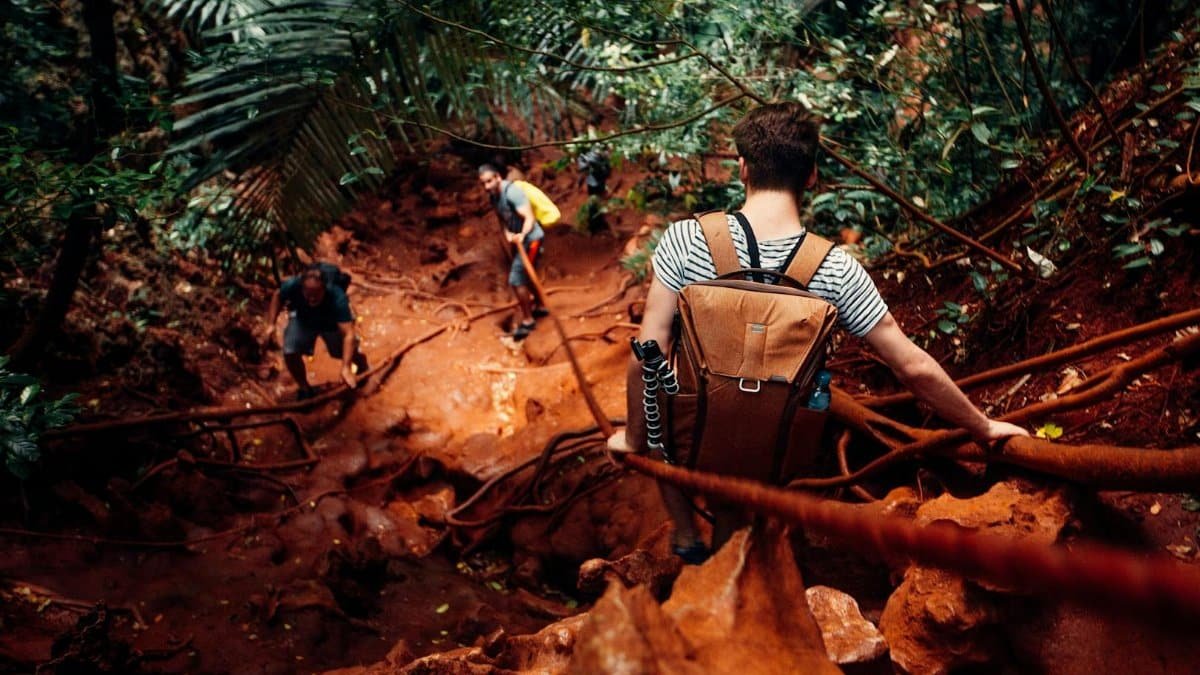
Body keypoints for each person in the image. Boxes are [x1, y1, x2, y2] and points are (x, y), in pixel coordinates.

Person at [608, 102, 1029, 562]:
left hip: (692, 441)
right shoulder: (835, 269)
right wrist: (982, 427)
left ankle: (687, 536)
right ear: (811, 176)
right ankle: (744, 551)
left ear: (743, 168)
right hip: (782, 455)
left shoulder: (685, 241)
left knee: (658, 405)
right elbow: (912, 366)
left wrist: (633, 441)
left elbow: (645, 354)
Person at [263, 263, 368, 400]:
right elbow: (278, 295)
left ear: (324, 289)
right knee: (290, 350)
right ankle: (304, 388)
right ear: (302, 288)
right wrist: (271, 324)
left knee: (340, 352)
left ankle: (362, 363)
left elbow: (348, 334)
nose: (312, 298)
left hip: (330, 322)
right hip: (304, 319)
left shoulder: (337, 296)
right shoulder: (294, 285)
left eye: (316, 293)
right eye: (308, 293)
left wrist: (346, 367)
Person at [478, 163, 546, 341]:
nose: (487, 186)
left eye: (490, 181)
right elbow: (502, 219)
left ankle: (528, 320)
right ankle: (540, 306)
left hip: (531, 239)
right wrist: (508, 234)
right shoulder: (494, 196)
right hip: (518, 240)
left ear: (498, 177)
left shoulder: (512, 192)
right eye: (484, 183)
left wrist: (522, 235)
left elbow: (529, 217)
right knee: (526, 275)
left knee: (516, 279)